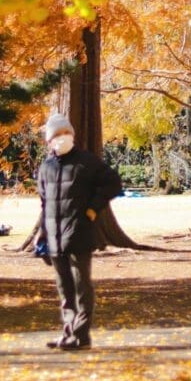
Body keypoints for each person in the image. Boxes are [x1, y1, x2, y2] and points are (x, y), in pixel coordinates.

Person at [38, 114, 123, 352]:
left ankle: (81, 335)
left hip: (79, 234)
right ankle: (68, 333)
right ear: (49, 140)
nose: (61, 138)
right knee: (65, 288)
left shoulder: (87, 162)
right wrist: (42, 234)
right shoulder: (46, 168)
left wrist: (93, 209)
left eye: (65, 133)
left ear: (72, 136)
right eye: (56, 135)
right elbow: (44, 203)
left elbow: (113, 183)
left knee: (81, 286)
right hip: (54, 237)